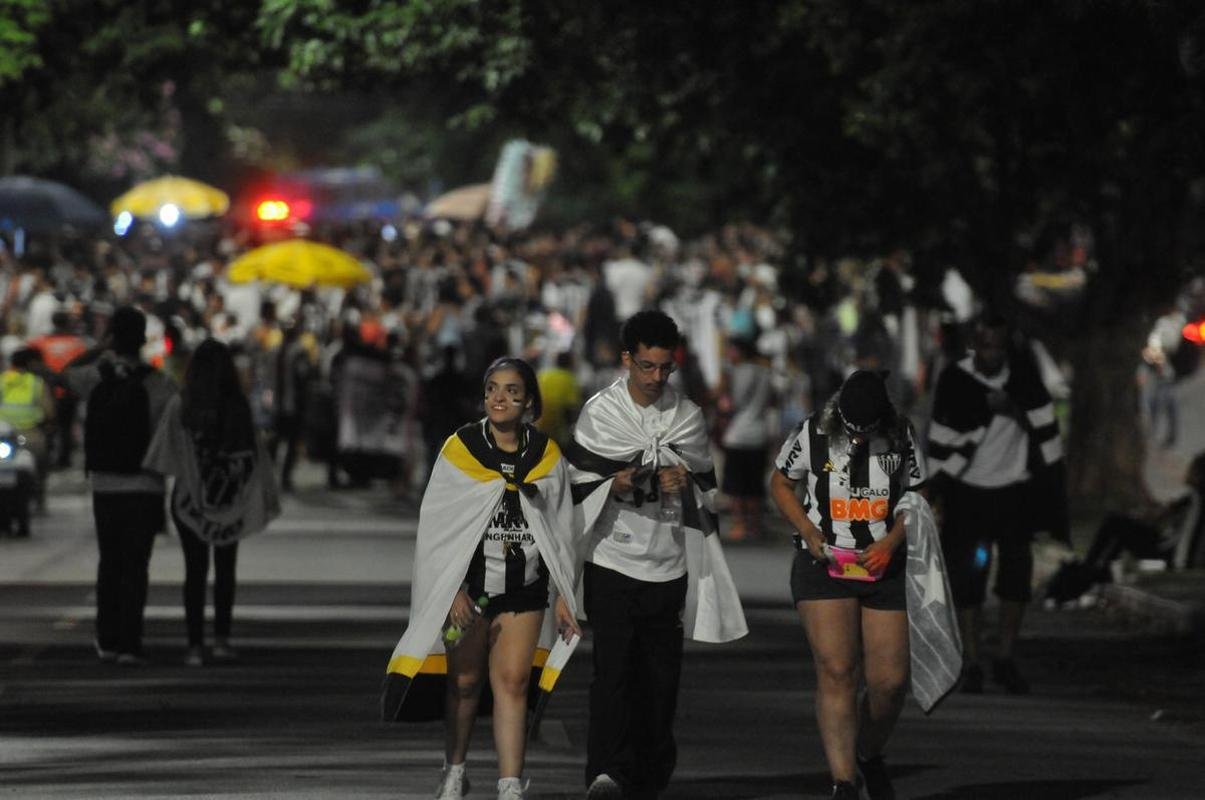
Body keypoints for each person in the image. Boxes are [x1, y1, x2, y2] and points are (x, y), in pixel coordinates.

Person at [380, 357, 582, 800]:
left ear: (529, 402)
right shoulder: (461, 449)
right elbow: (436, 527)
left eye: (512, 390)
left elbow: (563, 531)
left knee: (513, 683)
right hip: (471, 591)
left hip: (525, 590)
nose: (499, 398)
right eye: (492, 389)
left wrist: (565, 595)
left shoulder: (547, 456)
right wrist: (450, 589)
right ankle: (454, 771)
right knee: (465, 683)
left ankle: (510, 786)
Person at [566, 310, 747, 800]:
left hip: (668, 564)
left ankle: (649, 775)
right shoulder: (601, 413)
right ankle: (607, 771)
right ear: (627, 359)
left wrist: (684, 482)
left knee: (660, 682)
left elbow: (708, 487)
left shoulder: (687, 417)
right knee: (613, 674)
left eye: (665, 367)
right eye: (646, 366)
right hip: (611, 559)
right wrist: (614, 483)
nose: (655, 377)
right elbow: (576, 482)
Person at [770, 370, 927, 800]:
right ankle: (843, 781)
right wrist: (807, 530)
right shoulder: (811, 431)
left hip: (884, 566)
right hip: (824, 563)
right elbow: (781, 482)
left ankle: (868, 752)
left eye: (866, 431)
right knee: (837, 670)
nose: (858, 438)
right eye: (851, 430)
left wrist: (892, 543)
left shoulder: (901, 435)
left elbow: (919, 496)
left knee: (889, 682)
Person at [926, 314, 1068, 695]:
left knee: (1016, 577)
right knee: (967, 579)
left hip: (1014, 491)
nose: (992, 353)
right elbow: (941, 433)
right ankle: (971, 660)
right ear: (974, 345)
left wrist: (1012, 410)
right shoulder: (956, 379)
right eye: (985, 345)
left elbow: (1045, 429)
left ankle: (1005, 656)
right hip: (967, 491)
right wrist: (936, 488)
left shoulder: (1023, 379)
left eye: (999, 346)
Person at [142, 339, 281, 667]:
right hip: (231, 506)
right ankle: (221, 639)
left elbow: (164, 455)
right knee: (225, 569)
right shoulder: (237, 405)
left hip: (189, 502)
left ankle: (194, 645)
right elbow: (253, 458)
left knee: (194, 571)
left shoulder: (182, 404)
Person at [65, 306, 176, 666]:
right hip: (145, 484)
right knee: (136, 565)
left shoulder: (96, 377)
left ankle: (107, 638)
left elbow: (65, 374)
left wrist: (100, 347)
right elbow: (170, 431)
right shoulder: (159, 383)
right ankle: (130, 642)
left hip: (106, 484)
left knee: (110, 561)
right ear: (143, 339)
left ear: (113, 336)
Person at [1045, 452, 1205, 604]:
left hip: (1172, 554)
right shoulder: (1192, 498)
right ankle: (1096, 570)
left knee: (1115, 523)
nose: (1188, 473)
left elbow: (1161, 517)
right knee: (1118, 529)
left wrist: (1149, 516)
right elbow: (1160, 516)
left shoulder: (1197, 497)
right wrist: (1146, 516)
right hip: (1168, 547)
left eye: (1193, 470)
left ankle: (1089, 570)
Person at [717, 337, 773, 541]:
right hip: (759, 434)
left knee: (736, 486)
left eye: (730, 350)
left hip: (737, 435)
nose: (728, 354)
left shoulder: (736, 372)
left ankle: (739, 525)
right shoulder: (765, 372)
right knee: (755, 485)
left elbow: (731, 403)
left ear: (740, 351)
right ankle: (755, 525)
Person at [0, 347, 55, 516]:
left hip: (4, 435)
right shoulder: (37, 383)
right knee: (41, 466)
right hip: (31, 435)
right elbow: (49, 411)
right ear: (31, 364)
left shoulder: (2, 380)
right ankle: (39, 500)